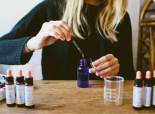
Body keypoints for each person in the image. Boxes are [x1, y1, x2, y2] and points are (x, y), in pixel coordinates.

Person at [0, 0, 135, 80]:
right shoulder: (51, 7)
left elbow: (129, 75)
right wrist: (33, 43)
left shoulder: (121, 18)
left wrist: (116, 71)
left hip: (102, 102)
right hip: (55, 101)